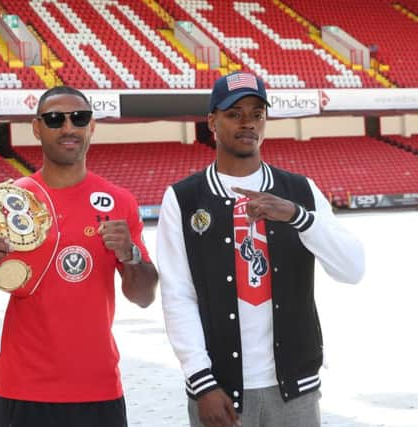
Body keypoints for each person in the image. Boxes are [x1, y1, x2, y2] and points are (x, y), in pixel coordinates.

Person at [0, 85, 158, 427]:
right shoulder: (10, 201)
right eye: (55, 119)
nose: (68, 128)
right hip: (23, 389)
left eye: (79, 118)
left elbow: (143, 297)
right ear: (37, 128)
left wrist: (129, 254)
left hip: (98, 388)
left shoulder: (118, 202)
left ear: (92, 126)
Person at [156, 72, 365, 427]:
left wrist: (300, 218)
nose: (247, 122)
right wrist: (201, 381)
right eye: (234, 113)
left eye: (257, 113)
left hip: (295, 390)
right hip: (219, 392)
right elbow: (178, 295)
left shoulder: (299, 191)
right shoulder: (185, 198)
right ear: (212, 121)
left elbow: (353, 269)